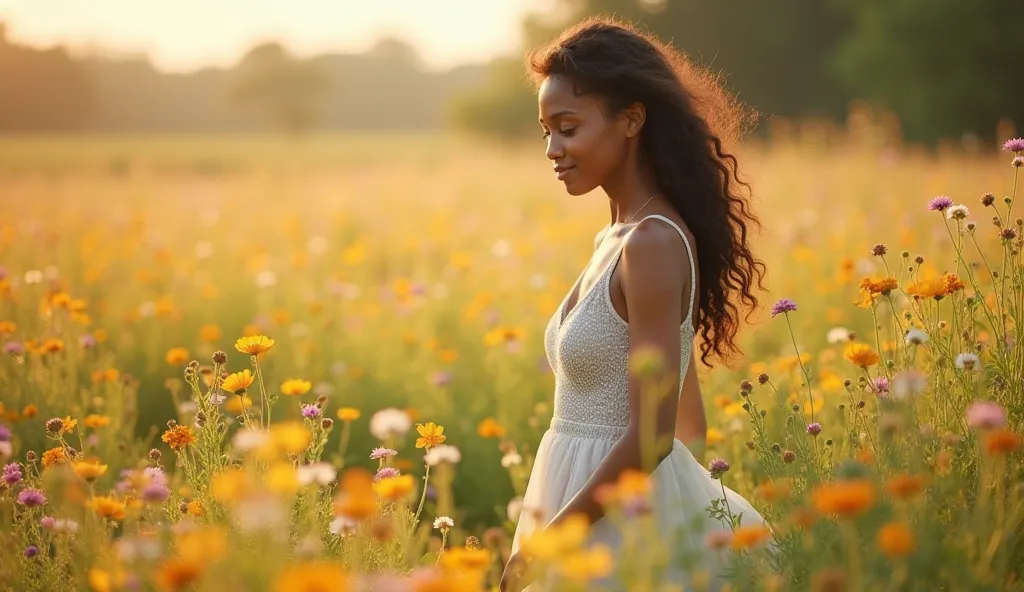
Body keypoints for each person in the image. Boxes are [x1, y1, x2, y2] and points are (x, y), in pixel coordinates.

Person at [499, 17, 771, 592]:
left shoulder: (650, 242)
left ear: (631, 119)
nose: (552, 149)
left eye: (568, 128)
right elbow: (688, 412)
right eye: (545, 131)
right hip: (598, 499)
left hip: (613, 517)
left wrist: (555, 544)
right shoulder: (618, 236)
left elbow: (654, 433)